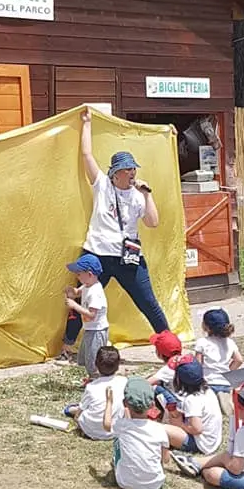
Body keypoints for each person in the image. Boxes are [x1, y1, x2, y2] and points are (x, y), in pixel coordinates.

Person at [58, 108, 168, 361]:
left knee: (148, 302)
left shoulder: (139, 196)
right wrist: (86, 124)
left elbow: (153, 222)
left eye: (134, 169)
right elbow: (86, 154)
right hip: (96, 255)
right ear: (115, 172)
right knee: (84, 299)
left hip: (128, 257)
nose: (132, 173)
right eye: (127, 169)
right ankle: (67, 346)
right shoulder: (103, 185)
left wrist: (148, 194)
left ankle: (169, 348)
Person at [104, 377, 170, 489]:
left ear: (125, 403)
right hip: (154, 485)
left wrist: (109, 402)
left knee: (118, 441)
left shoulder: (122, 425)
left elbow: (107, 425)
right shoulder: (159, 429)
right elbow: (166, 460)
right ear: (152, 405)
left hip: (124, 482)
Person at [64, 346, 126, 440]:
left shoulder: (91, 387)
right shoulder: (124, 382)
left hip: (91, 430)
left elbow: (78, 415)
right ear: (118, 365)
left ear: (96, 364)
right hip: (116, 430)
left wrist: (76, 416)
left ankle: (70, 409)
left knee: (71, 409)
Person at [64, 253, 109, 379]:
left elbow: (91, 315)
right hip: (90, 329)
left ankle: (97, 380)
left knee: (94, 360)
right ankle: (93, 379)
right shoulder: (88, 285)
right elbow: (78, 292)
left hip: (97, 331)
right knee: (86, 357)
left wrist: (74, 306)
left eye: (79, 274)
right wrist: (71, 291)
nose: (77, 276)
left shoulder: (95, 292)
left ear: (89, 274)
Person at [162, 360, 222, 455]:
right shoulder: (208, 391)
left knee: (162, 429)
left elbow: (197, 429)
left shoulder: (192, 399)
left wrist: (180, 424)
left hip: (201, 445)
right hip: (213, 440)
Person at [194, 308, 242, 411]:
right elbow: (239, 360)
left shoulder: (202, 342)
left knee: (205, 400)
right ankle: (224, 399)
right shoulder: (230, 342)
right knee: (222, 398)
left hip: (208, 382)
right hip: (225, 383)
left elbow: (197, 365)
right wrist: (229, 370)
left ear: (206, 327)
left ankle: (215, 400)